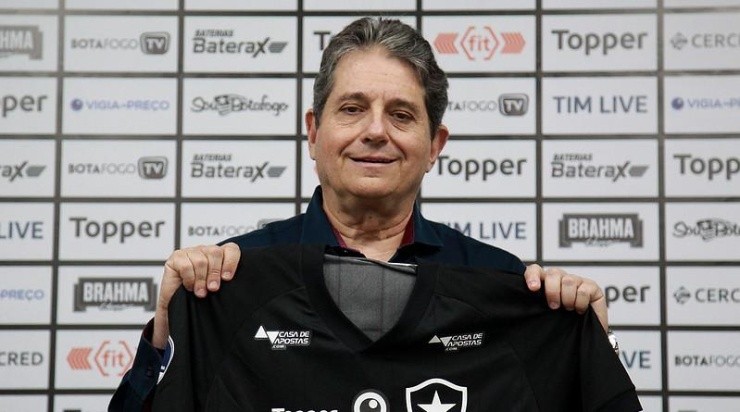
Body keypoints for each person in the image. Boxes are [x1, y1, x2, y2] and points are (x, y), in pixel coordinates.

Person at [110, 16, 616, 411]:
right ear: (313, 132)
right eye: (352, 109)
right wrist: (167, 335)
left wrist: (589, 345)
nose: (375, 132)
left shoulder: (505, 285)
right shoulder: (226, 281)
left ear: (434, 145)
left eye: (401, 114)